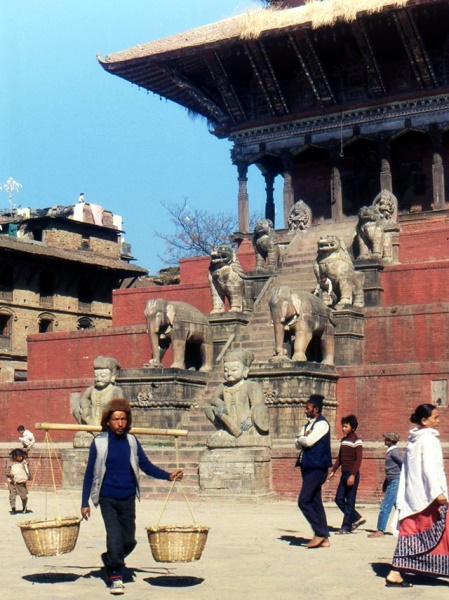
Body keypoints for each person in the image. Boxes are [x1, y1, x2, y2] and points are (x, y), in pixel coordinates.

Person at [81, 399, 183, 596]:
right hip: (107, 498)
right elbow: (89, 474)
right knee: (114, 538)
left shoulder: (132, 441)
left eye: (123, 419)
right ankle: (115, 575)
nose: (120, 423)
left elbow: (146, 465)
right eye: (116, 419)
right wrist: (84, 502)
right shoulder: (99, 443)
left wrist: (168, 475)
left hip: (128, 497)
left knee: (129, 541)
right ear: (108, 422)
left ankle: (111, 558)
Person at [385, 404, 448, 587]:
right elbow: (430, 468)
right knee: (421, 530)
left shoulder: (414, 439)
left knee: (415, 531)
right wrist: (438, 492)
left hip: (416, 494)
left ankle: (412, 568)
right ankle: (396, 571)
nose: (438, 420)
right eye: (435, 417)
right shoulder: (428, 439)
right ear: (424, 420)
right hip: (428, 496)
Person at [205, 349, 269, 444]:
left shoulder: (251, 386)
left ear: (245, 371)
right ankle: (223, 430)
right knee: (209, 409)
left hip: (246, 424)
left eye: (234, 370)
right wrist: (220, 403)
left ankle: (242, 434)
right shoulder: (222, 386)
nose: (229, 373)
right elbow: (214, 399)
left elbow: (258, 406)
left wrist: (250, 420)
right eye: (226, 371)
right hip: (228, 423)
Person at [295, 394, 332, 548]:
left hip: (318, 467)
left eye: (308, 408)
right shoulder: (307, 426)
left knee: (303, 500)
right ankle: (324, 538)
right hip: (307, 466)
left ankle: (320, 532)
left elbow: (308, 441)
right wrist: (302, 438)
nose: (305, 411)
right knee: (315, 501)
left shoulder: (322, 424)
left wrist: (302, 438)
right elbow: (297, 443)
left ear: (316, 409)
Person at [327, 414, 365, 534]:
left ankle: (346, 527)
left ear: (352, 428)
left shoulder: (357, 441)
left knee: (350, 500)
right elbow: (340, 458)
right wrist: (333, 470)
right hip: (344, 474)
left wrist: (353, 475)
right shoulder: (344, 440)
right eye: (342, 426)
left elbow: (358, 460)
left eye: (346, 426)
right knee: (338, 499)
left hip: (352, 474)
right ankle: (357, 518)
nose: (343, 429)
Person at [368, 431, 403, 538]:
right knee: (399, 506)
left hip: (395, 481)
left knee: (385, 506)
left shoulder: (394, 452)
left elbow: (405, 463)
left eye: (386, 439)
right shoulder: (391, 452)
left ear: (391, 441)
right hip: (392, 481)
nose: (385, 440)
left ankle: (380, 530)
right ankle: (407, 528)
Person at [6, 448, 31, 514]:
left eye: (21, 456)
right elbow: (7, 473)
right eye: (19, 456)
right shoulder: (11, 464)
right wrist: (10, 475)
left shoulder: (24, 463)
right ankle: (13, 508)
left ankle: (24, 507)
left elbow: (27, 471)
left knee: (24, 497)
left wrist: (28, 477)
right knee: (12, 497)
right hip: (13, 483)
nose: (21, 457)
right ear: (15, 456)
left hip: (21, 483)